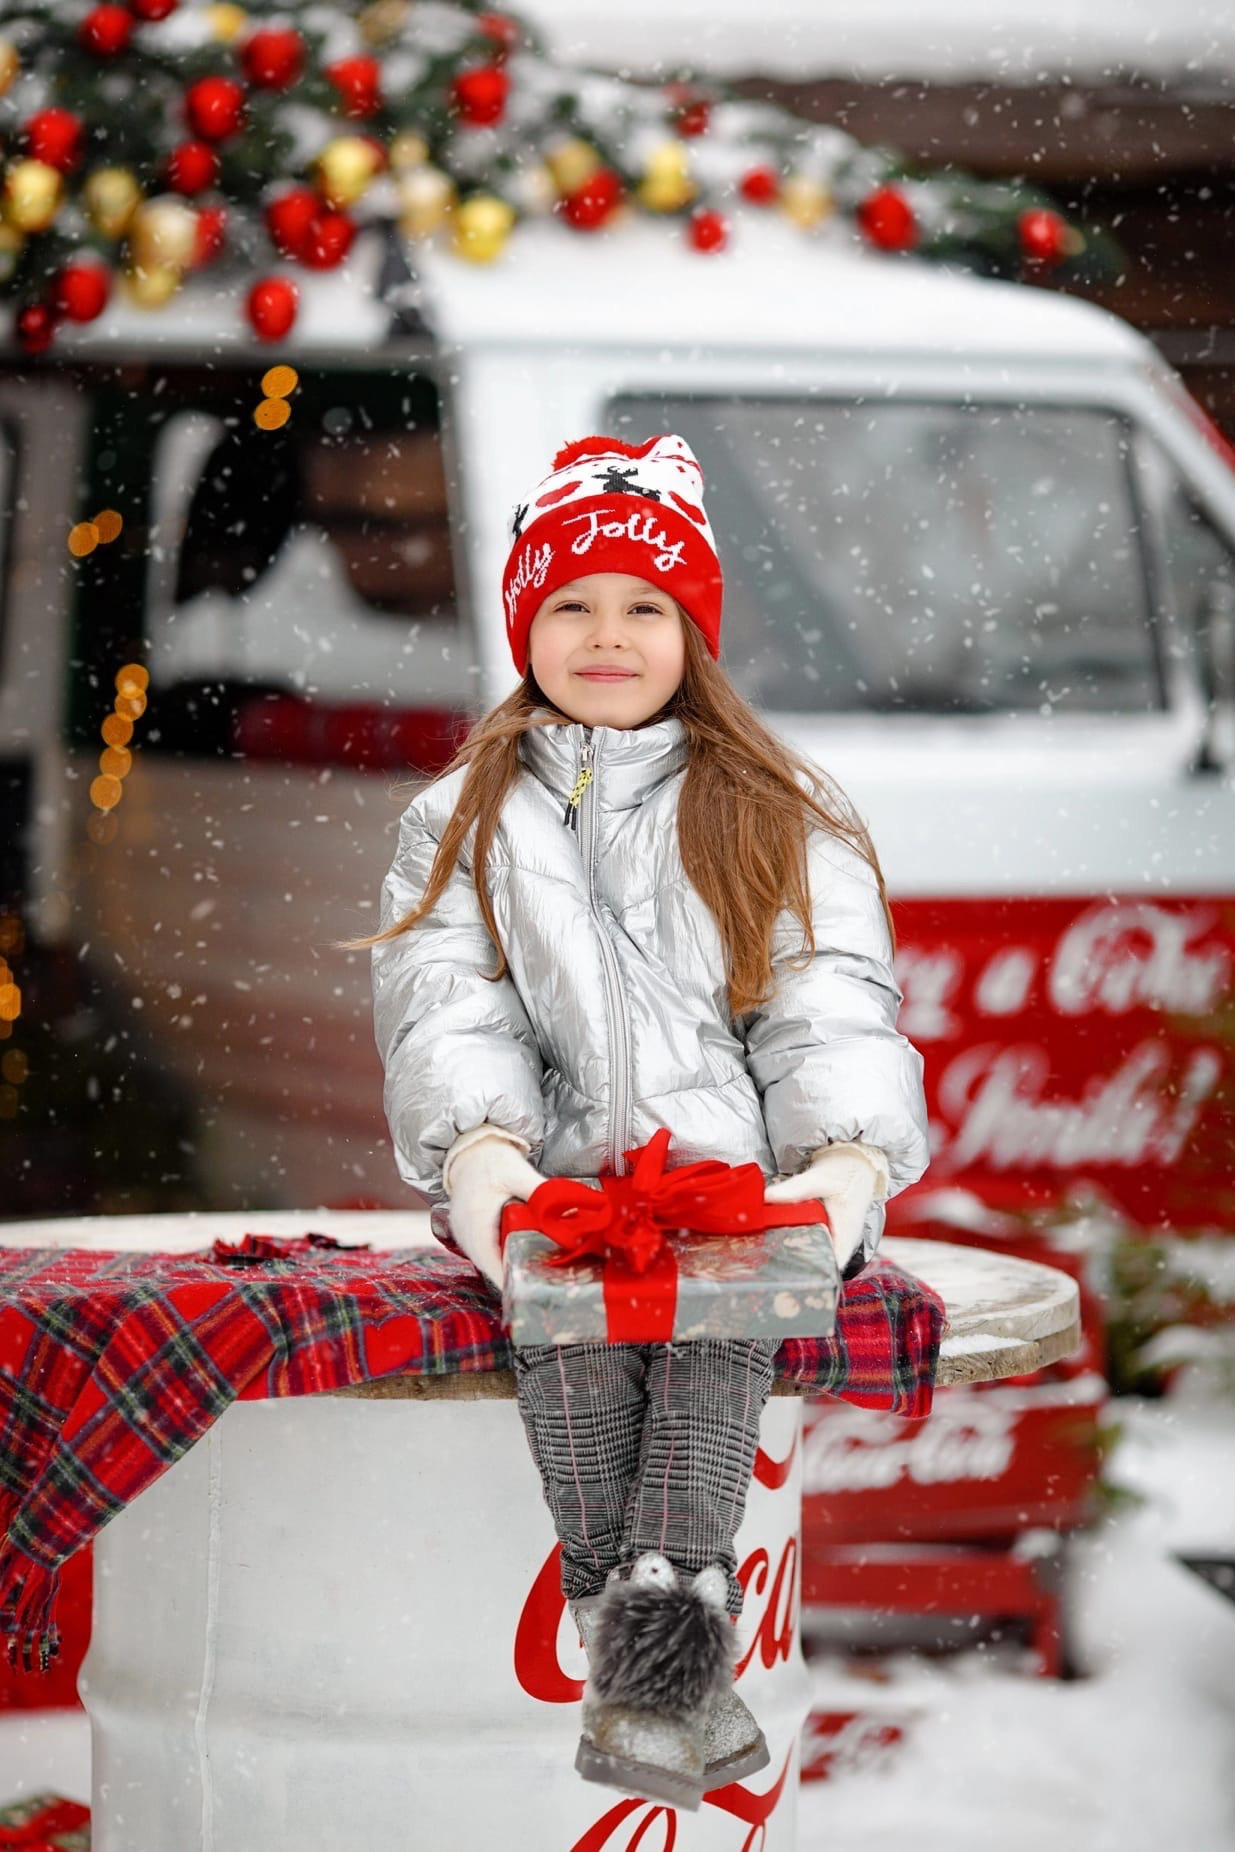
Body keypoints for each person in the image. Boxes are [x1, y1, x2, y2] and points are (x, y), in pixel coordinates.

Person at [355, 433, 931, 1811]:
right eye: (570, 605)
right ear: (524, 626)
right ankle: (668, 1679)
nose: (605, 635)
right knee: (573, 1345)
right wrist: (482, 1154)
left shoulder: (779, 810)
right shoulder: (465, 817)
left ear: (693, 635)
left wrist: (844, 1161)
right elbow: (446, 1000)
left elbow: (824, 1001)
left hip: (729, 1188)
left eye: (643, 607)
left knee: (713, 1343)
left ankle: (650, 1636)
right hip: (555, 1188)